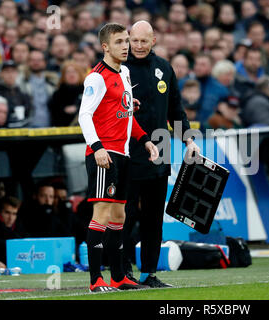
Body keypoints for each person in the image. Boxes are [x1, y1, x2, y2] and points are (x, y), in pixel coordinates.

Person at [78, 23, 159, 292]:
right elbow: (84, 115)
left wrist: (145, 140)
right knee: (101, 214)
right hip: (104, 155)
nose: (126, 46)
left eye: (127, 41)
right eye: (119, 42)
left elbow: (126, 115)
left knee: (119, 216)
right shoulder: (96, 77)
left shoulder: (124, 72)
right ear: (105, 47)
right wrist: (97, 147)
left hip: (123, 154)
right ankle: (94, 280)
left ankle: (118, 276)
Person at [123, 20, 200, 288]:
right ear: (128, 39)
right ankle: (123, 274)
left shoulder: (164, 69)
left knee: (154, 217)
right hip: (128, 153)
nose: (139, 46)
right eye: (135, 41)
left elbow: (176, 110)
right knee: (126, 214)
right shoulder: (119, 70)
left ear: (153, 40)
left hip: (161, 152)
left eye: (145, 41)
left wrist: (189, 139)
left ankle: (148, 273)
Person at [48, 60, 85, 126]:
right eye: (68, 72)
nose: (71, 75)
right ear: (63, 76)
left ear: (80, 74)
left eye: (74, 72)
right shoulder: (57, 94)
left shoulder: (87, 91)